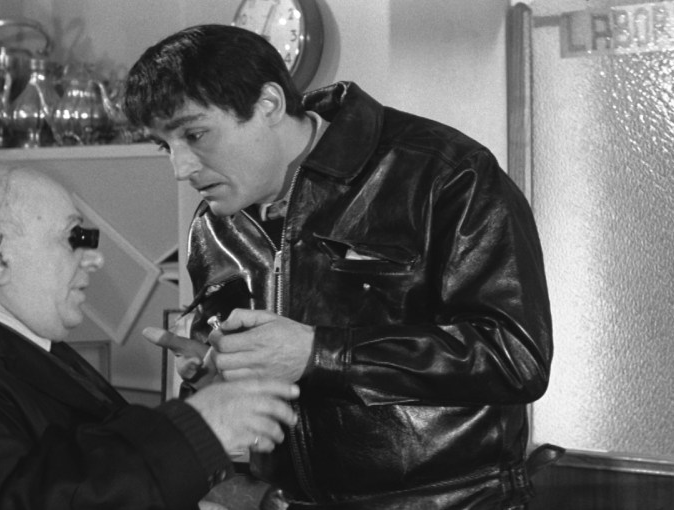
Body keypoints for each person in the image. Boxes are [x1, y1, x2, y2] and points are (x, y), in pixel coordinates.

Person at [125, 24, 556, 509]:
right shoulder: (213, 227)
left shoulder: (445, 172)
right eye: (165, 146)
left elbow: (516, 357)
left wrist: (320, 353)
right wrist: (218, 374)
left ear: (268, 104)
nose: (180, 168)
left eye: (195, 134)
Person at [0, 163, 301, 510]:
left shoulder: (11, 347)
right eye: (74, 238)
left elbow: (85, 468)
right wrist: (195, 430)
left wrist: (205, 410)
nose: (95, 259)